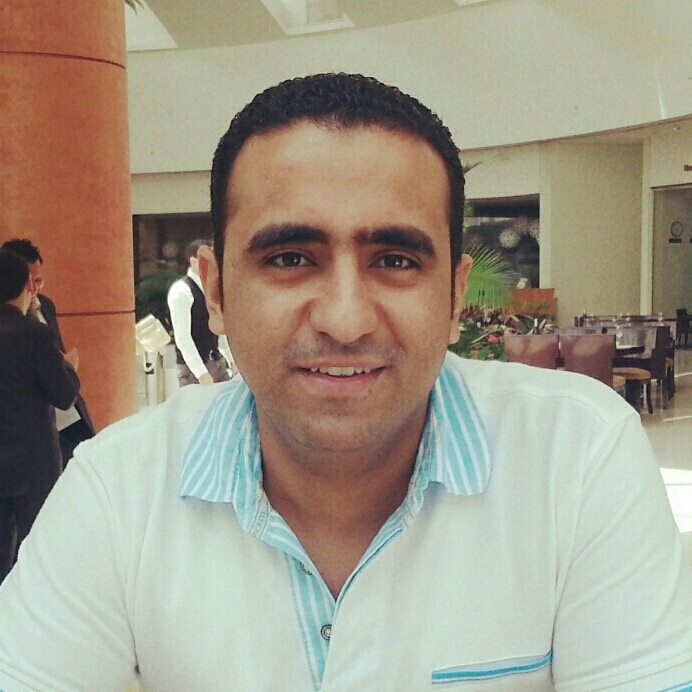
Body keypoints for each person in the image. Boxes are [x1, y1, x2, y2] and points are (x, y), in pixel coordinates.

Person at [0, 74, 690, 690]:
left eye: (394, 260)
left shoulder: (577, 459)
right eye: (290, 257)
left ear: (455, 295)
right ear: (217, 292)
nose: (345, 319)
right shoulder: (119, 489)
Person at [0, 249, 80, 584]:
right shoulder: (34, 334)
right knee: (39, 551)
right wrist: (69, 367)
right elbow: (64, 395)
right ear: (24, 287)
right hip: (33, 464)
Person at [0, 238, 95, 466]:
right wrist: (68, 366)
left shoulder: (46, 306)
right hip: (30, 441)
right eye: (29, 281)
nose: (34, 288)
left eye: (39, 280)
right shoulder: (31, 331)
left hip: (64, 424)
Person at [167, 238, 233, 385]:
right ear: (193, 261)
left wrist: (231, 360)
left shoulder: (213, 288)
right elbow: (183, 337)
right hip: (194, 370)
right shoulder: (182, 291)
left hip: (217, 362)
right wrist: (201, 373)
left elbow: (221, 328)